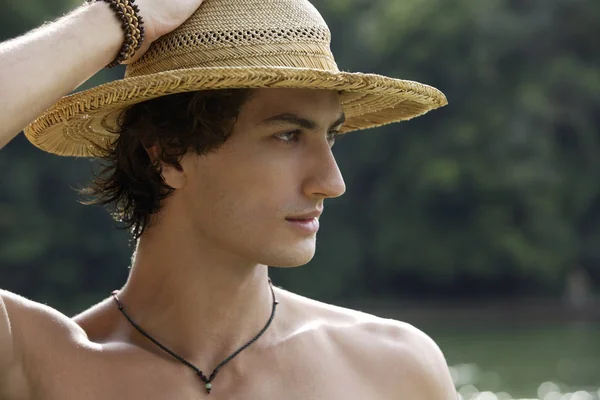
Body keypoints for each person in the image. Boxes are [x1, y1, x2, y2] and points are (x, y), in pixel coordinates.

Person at [0, 0, 455, 398]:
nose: (331, 182)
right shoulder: (37, 369)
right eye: (288, 135)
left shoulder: (395, 370)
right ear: (167, 154)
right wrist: (122, 18)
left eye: (330, 137)